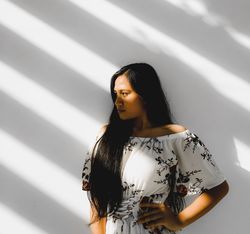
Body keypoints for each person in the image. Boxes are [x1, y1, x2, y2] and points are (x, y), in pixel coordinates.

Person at [81, 63, 229, 234]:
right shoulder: (106, 136)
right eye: (115, 94)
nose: (117, 102)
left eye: (125, 93)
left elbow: (218, 187)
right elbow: (96, 204)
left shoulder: (176, 137)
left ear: (145, 96)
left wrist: (179, 220)